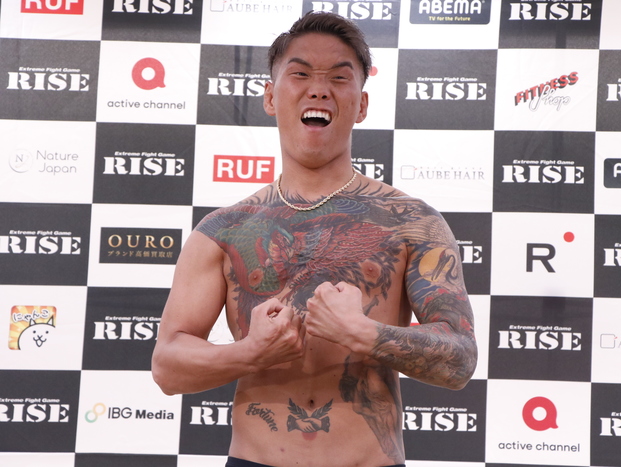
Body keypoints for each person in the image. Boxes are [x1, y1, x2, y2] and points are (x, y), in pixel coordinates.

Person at [152, 11, 477, 467]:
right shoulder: (223, 231)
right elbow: (167, 368)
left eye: (339, 78)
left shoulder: (412, 222)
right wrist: (251, 352)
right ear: (270, 96)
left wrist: (365, 333)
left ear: (361, 105)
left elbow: (460, 360)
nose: (319, 89)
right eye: (301, 74)